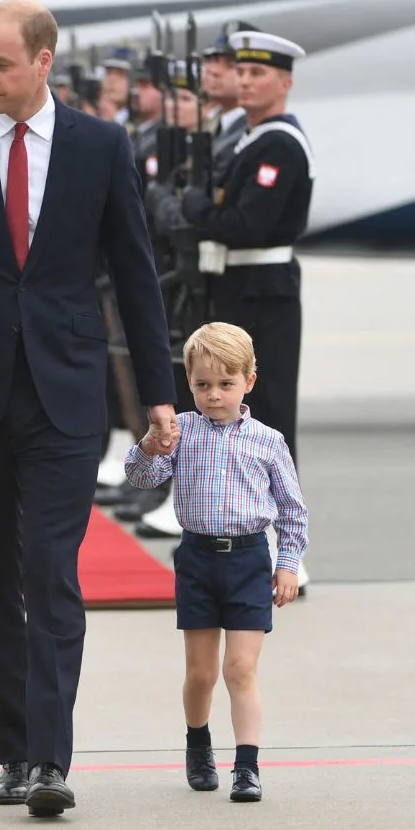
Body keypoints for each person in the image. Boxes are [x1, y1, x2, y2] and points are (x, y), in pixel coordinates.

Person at [0, 0, 178, 818]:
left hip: (65, 393)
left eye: (1, 64)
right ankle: (13, 751)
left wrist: (159, 394)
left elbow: (134, 271)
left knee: (50, 572)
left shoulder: (99, 146)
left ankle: (51, 760)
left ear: (43, 62)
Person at [123, 322, 307, 803]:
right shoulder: (180, 433)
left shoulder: (268, 440)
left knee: (240, 669)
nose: (213, 395)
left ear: (249, 381)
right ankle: (197, 743)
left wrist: (287, 563)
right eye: (203, 385)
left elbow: (292, 509)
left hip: (248, 560)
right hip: (198, 560)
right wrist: (148, 444)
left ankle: (246, 766)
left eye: (226, 384)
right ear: (188, 382)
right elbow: (141, 478)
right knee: (201, 672)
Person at [179, 29, 315, 592]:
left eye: (260, 74)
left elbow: (247, 223)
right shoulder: (250, 138)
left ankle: (290, 556)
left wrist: (198, 213)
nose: (247, 81)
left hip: (265, 290)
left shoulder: (279, 144)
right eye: (244, 72)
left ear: (283, 83)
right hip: (240, 285)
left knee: (270, 419)